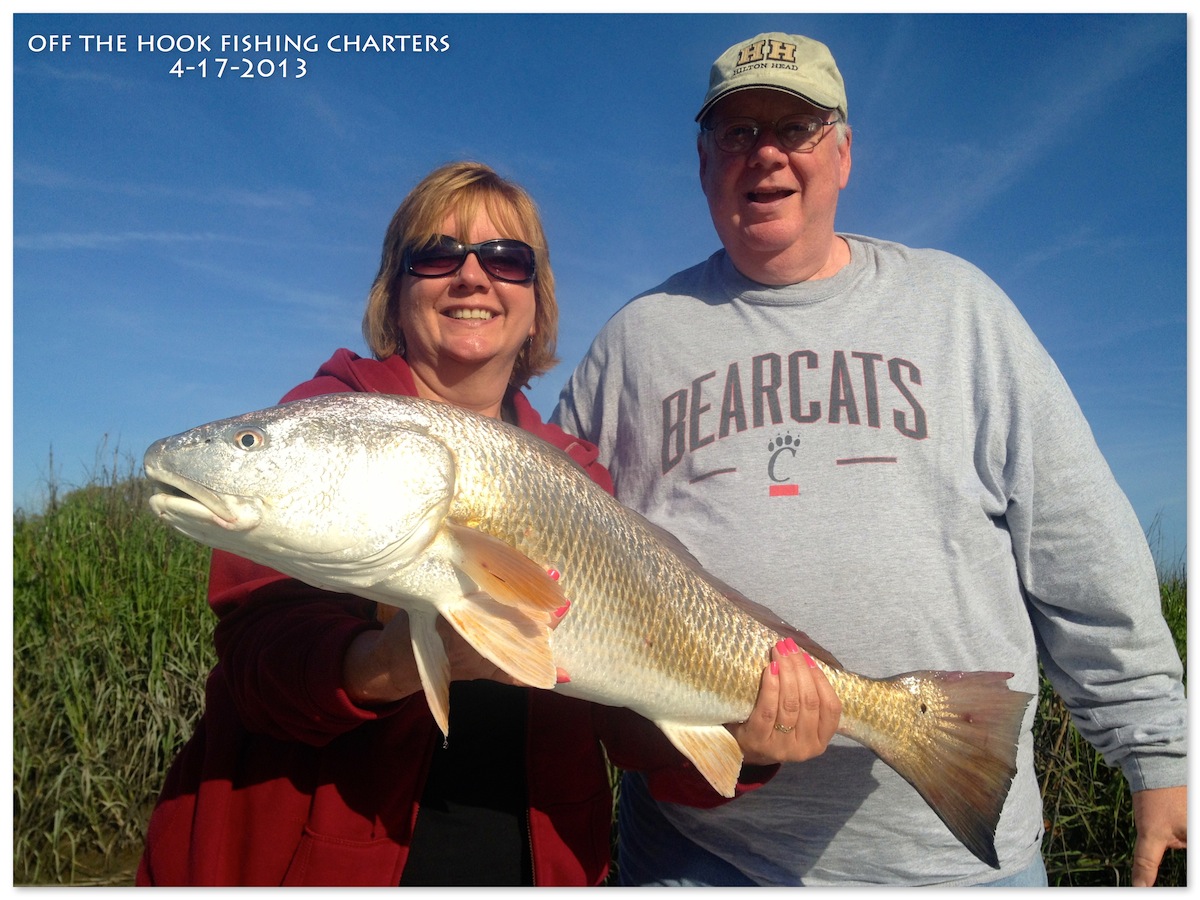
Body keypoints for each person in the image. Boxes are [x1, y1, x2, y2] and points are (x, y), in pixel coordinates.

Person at [552, 33, 1187, 887]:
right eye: (737, 132)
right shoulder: (636, 340)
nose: (766, 153)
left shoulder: (958, 308)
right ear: (702, 164)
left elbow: (1078, 543)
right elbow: (547, 539)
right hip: (697, 854)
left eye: (796, 127)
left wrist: (1159, 752)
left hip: (954, 864)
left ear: (844, 153)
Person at [136, 160, 840, 886]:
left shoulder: (579, 476)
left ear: (536, 302)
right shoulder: (324, 416)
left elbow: (629, 724)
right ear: (394, 290)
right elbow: (257, 673)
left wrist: (750, 741)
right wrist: (388, 664)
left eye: (507, 259)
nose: (471, 276)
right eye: (435, 254)